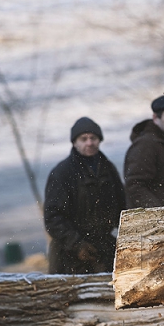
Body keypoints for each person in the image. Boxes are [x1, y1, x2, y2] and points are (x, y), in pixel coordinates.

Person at [44, 117, 126, 274]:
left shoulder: (108, 169)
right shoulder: (62, 173)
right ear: (75, 142)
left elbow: (122, 206)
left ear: (99, 141)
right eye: (84, 139)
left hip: (103, 250)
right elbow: (52, 217)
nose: (89, 143)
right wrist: (77, 244)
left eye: (93, 138)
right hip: (68, 255)